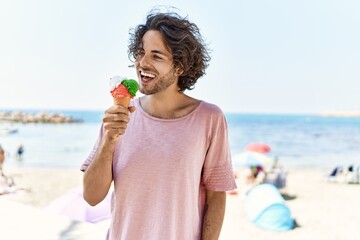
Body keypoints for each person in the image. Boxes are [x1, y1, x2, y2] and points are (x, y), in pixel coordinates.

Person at [81, 9, 236, 240]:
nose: (142, 63)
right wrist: (109, 142)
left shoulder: (209, 119)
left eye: (156, 56)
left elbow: (216, 198)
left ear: (180, 66)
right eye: (141, 53)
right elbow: (92, 196)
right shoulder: (119, 117)